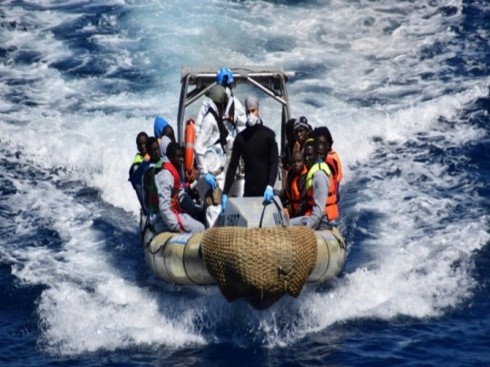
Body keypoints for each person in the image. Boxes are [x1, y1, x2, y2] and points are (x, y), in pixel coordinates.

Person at [221, 96, 279, 214]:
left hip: (266, 194)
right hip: (249, 194)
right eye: (248, 111)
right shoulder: (240, 138)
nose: (250, 114)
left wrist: (270, 186)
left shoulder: (269, 135)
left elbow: (274, 162)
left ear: (258, 111)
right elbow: (233, 166)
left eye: (253, 110)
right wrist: (225, 192)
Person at [193, 84, 230, 227]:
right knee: (213, 210)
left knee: (219, 209)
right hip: (212, 176)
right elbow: (198, 147)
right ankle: (211, 242)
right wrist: (205, 173)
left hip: (218, 173)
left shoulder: (215, 118)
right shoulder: (209, 121)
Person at [149, 142, 205, 234]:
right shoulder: (165, 176)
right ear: (171, 157)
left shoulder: (173, 170)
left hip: (172, 213)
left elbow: (181, 195)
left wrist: (196, 211)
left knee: (199, 218)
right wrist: (177, 227)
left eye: (182, 156)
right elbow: (164, 208)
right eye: (178, 157)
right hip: (160, 220)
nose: (182, 159)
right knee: (200, 228)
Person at [289, 139, 339, 230]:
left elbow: (318, 212)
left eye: (310, 155)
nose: (307, 158)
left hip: (324, 222)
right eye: (305, 156)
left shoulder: (319, 176)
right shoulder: (311, 173)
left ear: (316, 155)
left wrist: (306, 229)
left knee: (287, 225)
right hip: (317, 219)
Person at [280, 149, 308, 219]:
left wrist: (294, 215)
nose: (296, 164)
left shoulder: (305, 177)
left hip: (302, 215)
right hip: (292, 210)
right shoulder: (291, 174)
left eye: (299, 161)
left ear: (303, 162)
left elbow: (304, 203)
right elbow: (285, 193)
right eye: (294, 162)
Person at [128, 131, 149, 208]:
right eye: (140, 144)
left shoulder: (153, 153)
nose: (143, 146)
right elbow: (139, 190)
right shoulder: (137, 166)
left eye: (144, 143)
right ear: (137, 148)